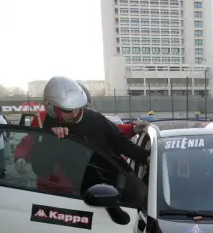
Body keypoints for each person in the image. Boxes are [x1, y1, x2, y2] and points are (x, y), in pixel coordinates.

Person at [13, 76, 149, 194]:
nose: (74, 114)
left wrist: (143, 152)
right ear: (52, 106)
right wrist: (21, 156)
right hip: (54, 189)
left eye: (79, 107)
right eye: (68, 110)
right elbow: (31, 146)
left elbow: (115, 137)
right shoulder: (42, 121)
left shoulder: (94, 118)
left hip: (97, 186)